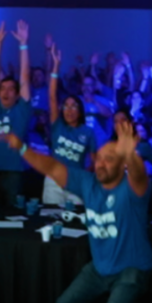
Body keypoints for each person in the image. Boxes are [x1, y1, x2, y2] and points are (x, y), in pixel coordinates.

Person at [1, 120, 152, 303]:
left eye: (109, 159)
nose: (100, 164)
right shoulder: (87, 182)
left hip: (132, 269)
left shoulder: (132, 188)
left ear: (123, 165)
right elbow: (52, 168)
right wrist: (23, 148)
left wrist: (130, 154)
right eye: (98, 158)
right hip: (100, 269)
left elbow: (139, 176)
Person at [0, 21, 32, 207]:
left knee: (14, 216)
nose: (5, 92)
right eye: (2, 89)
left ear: (18, 94)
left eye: (11, 89)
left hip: (14, 172)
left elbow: (25, 76)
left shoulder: (22, 109)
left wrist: (23, 44)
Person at [44, 43, 96, 206]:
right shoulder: (57, 126)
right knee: (51, 218)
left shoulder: (88, 132)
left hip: (76, 181)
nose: (69, 110)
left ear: (80, 111)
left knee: (76, 223)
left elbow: (95, 161)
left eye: (74, 106)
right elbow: (52, 97)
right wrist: (56, 66)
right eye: (66, 106)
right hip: (53, 179)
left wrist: (84, 176)